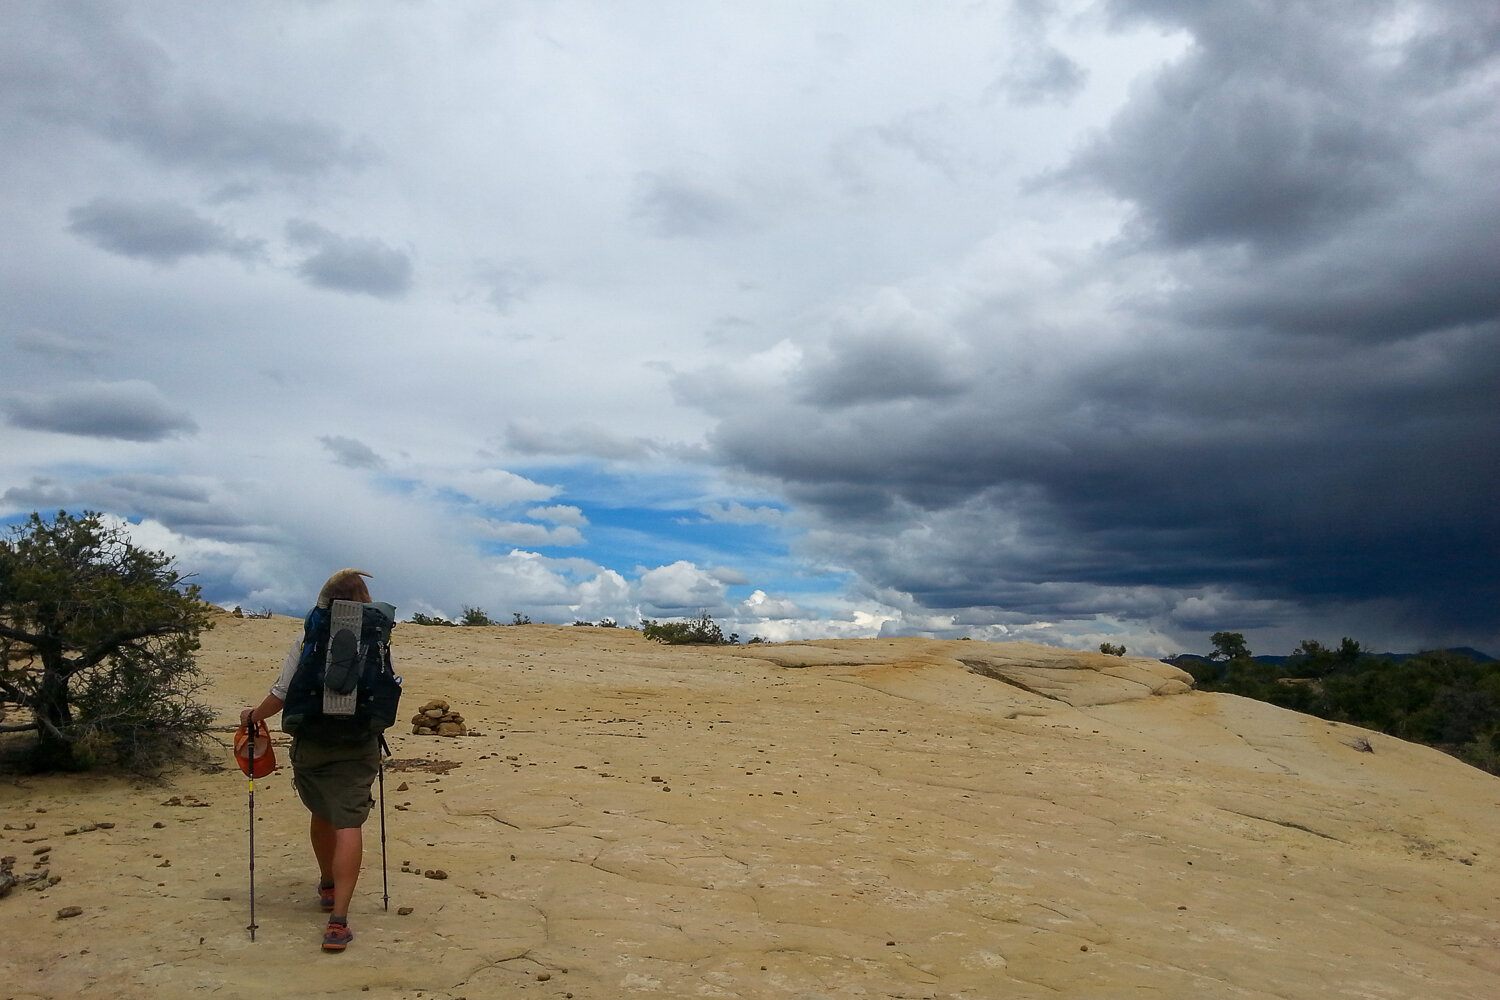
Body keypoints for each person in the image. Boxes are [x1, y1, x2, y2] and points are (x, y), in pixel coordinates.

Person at [241, 568, 385, 953]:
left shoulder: (309, 639)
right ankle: (338, 922)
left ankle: (327, 884)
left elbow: (281, 694)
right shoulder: (377, 639)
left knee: (322, 810)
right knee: (349, 821)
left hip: (313, 743)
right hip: (359, 742)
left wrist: (253, 717)